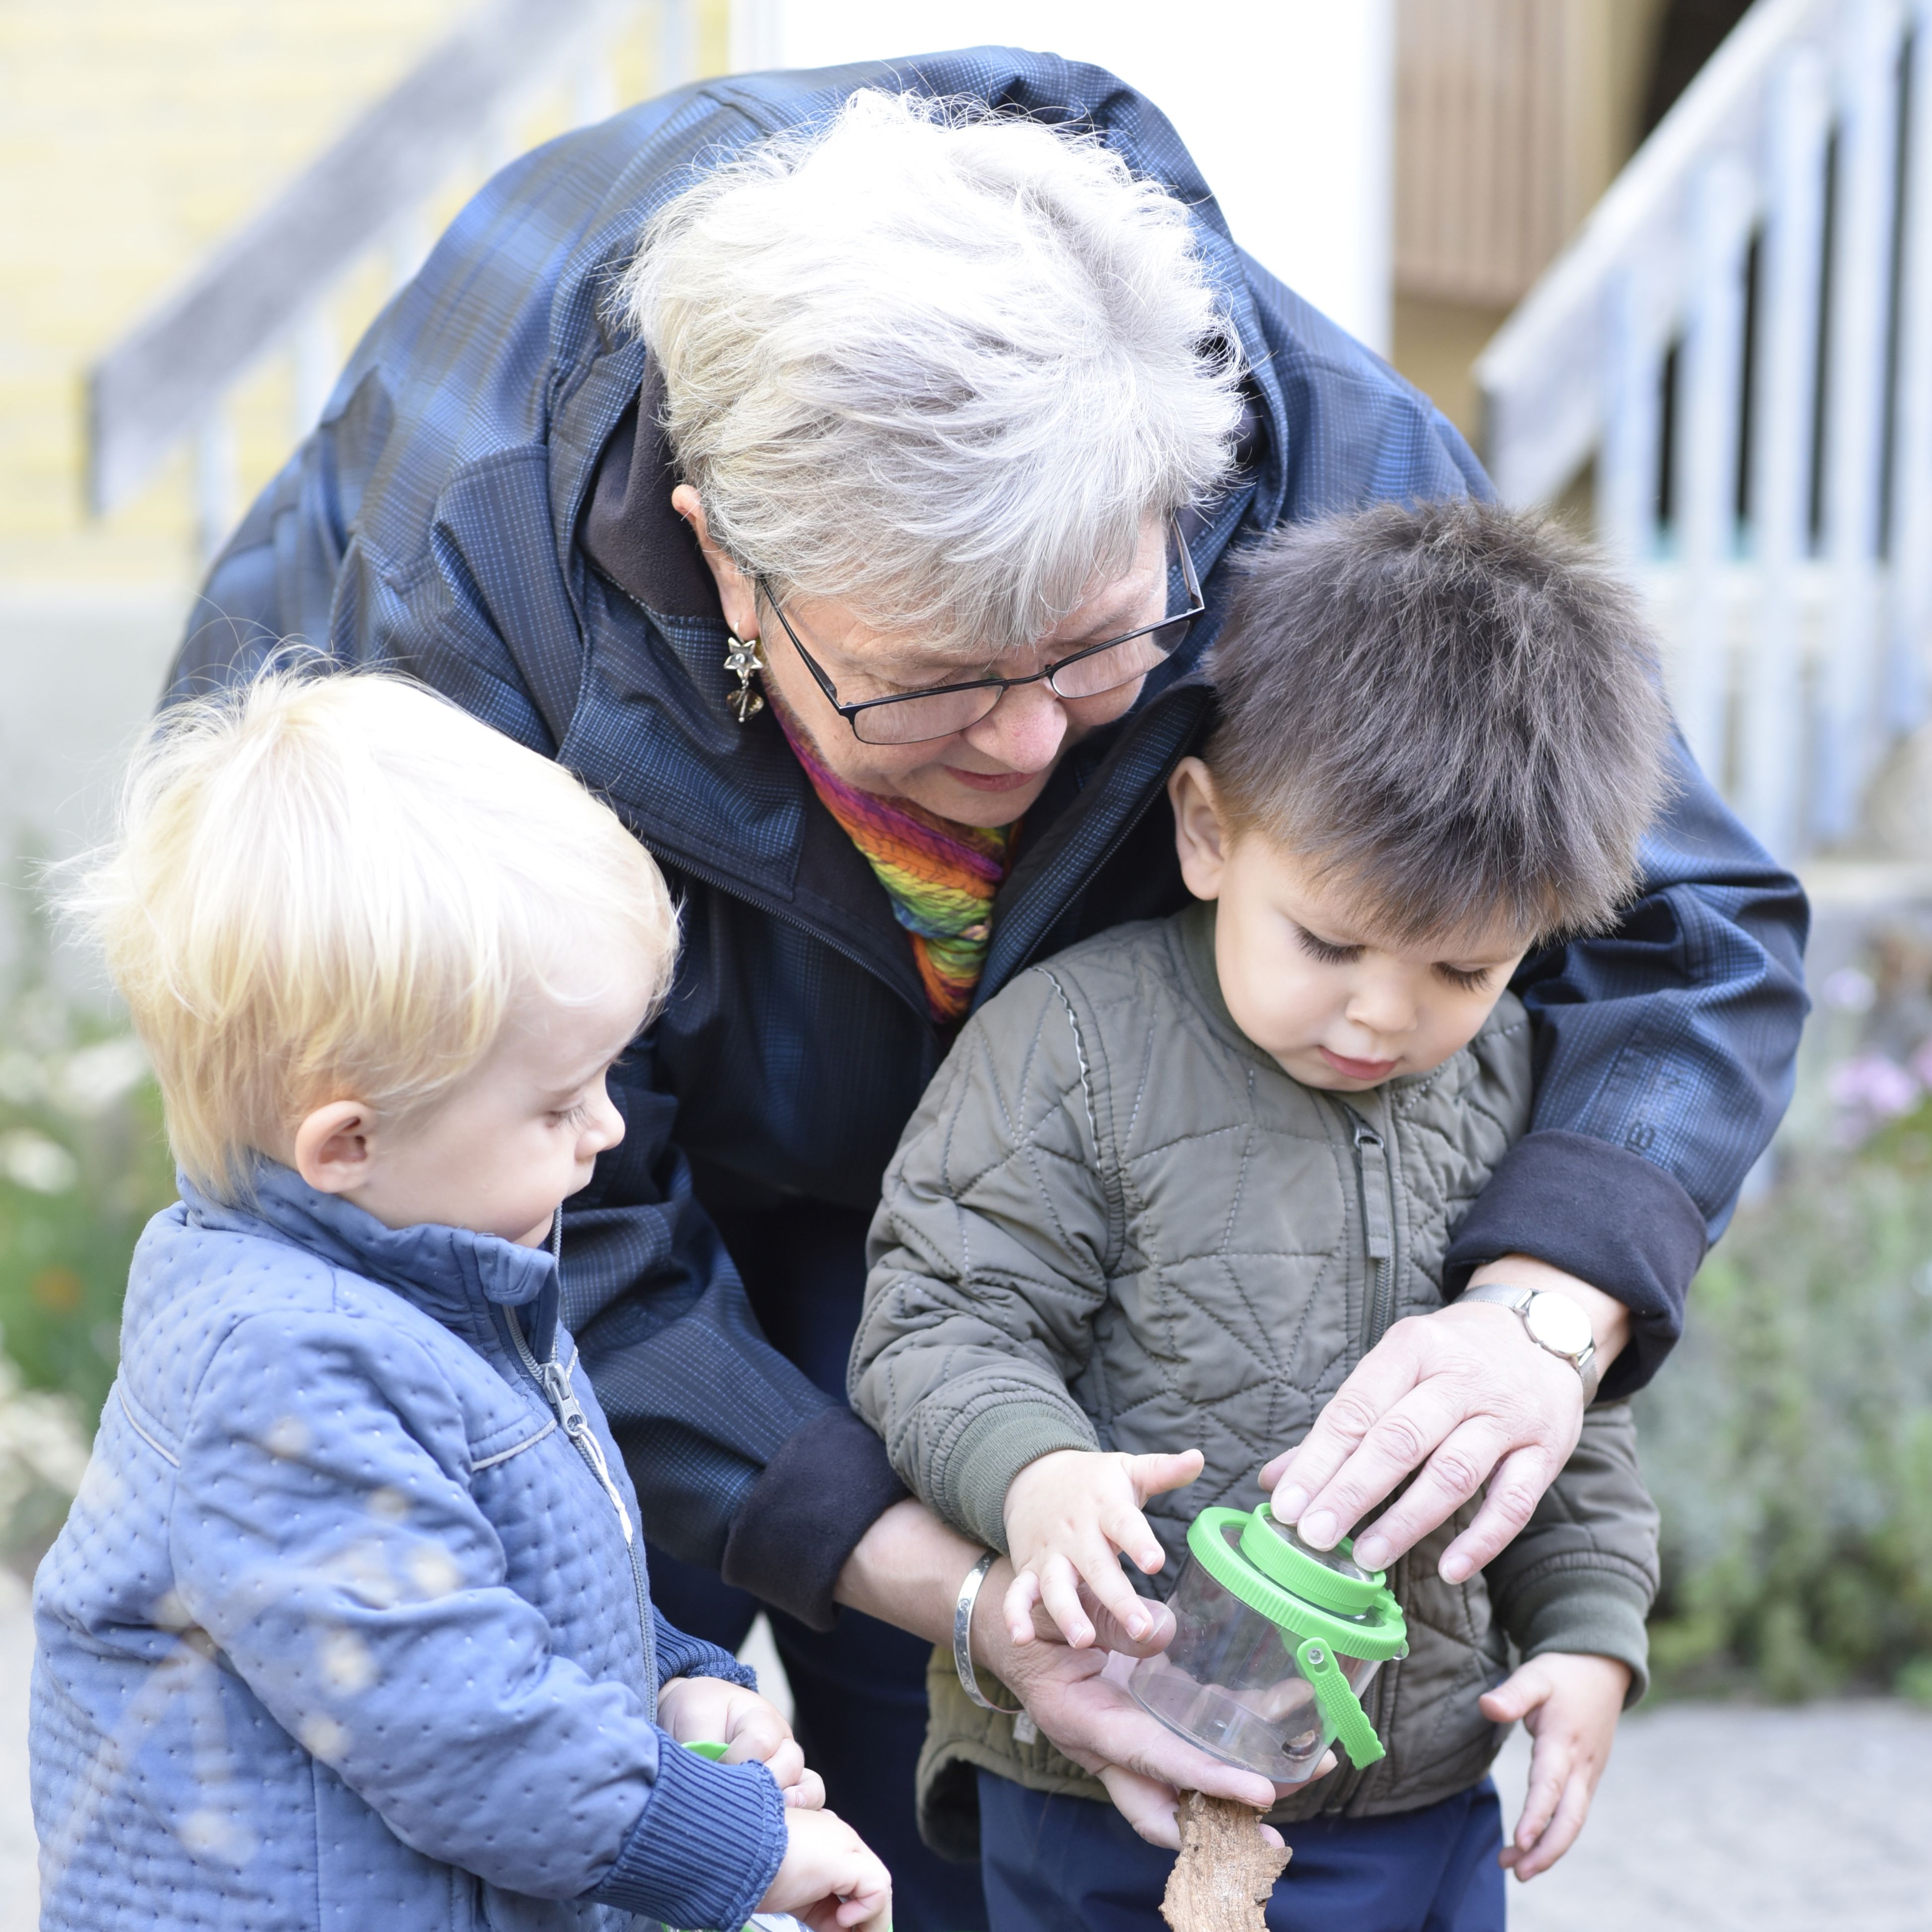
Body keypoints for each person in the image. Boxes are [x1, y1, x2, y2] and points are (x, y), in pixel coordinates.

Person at [167, 57, 1807, 1928]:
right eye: (936, 676)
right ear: (726, 558)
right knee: (588, 1736)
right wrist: (942, 1583)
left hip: (1034, 1197)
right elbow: (546, 1220)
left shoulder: (1316, 470)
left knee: (953, 1785)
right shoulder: (471, 589)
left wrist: (1535, 1317)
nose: (1029, 743)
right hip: (559, 1123)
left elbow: (1687, 929)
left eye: (1099, 648)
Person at [851, 501, 1667, 1931]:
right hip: (1109, 1766)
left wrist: (1590, 1631)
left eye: (1460, 969)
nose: (1381, 1014)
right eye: (1329, 941)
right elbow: (938, 1318)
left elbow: (1555, 1406)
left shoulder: (1508, 1075)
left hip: (1418, 1784)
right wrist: (1032, 1474)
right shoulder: (1073, 1046)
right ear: (1207, 830)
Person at [30, 672, 891, 1932]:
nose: (608, 1127)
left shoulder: (436, 1277)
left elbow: (505, 1586)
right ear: (347, 1143)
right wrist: (741, 1846)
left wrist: (669, 1682)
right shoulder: (283, 1373)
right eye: (558, 1103)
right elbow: (462, 1719)